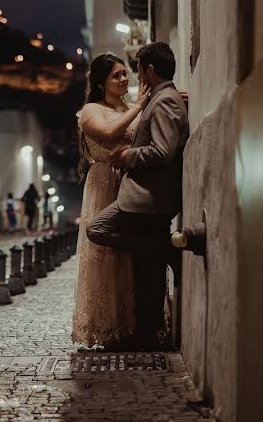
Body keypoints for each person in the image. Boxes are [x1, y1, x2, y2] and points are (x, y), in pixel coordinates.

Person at [88, 43, 189, 350]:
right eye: (117, 74)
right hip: (143, 195)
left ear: (149, 71)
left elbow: (162, 150)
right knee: (148, 271)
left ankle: (162, 248)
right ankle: (147, 333)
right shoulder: (158, 100)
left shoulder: (163, 101)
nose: (129, 78)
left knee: (98, 229)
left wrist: (128, 156)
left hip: (145, 198)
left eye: (132, 70)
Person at [72, 54, 148, 349]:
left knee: (129, 253)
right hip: (104, 183)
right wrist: (141, 106)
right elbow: (109, 132)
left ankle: (130, 325)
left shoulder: (129, 107)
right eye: (117, 75)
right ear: (101, 82)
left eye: (126, 74)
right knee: (105, 253)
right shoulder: (90, 111)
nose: (124, 79)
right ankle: (106, 326)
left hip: (129, 181)